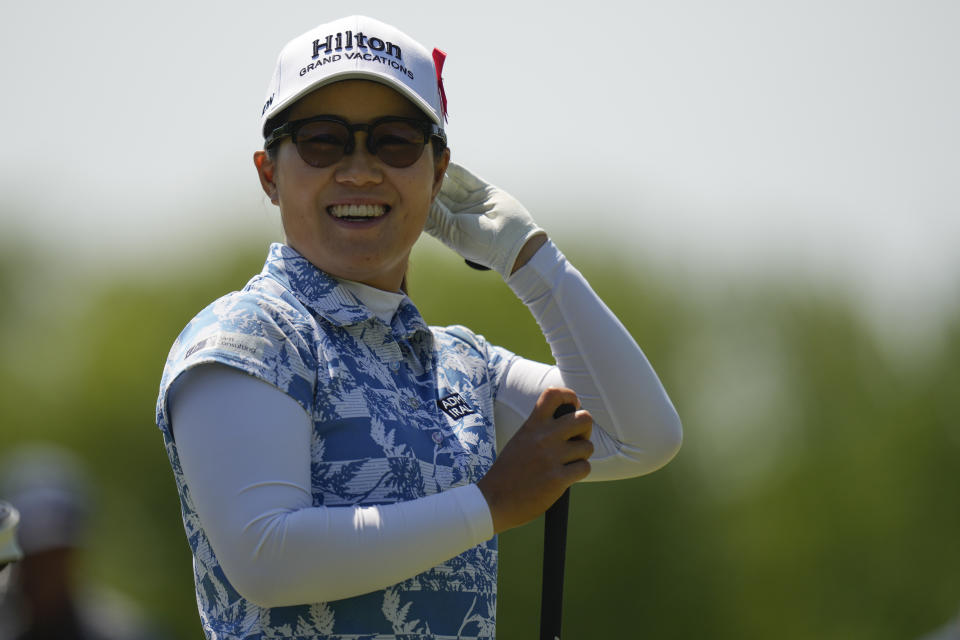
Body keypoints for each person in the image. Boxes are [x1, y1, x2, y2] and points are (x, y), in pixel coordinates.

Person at [154, 14, 682, 640]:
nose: (359, 170)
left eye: (395, 141)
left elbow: (639, 437)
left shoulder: (463, 364)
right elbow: (267, 558)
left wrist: (530, 260)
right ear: (269, 173)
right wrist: (491, 503)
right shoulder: (247, 334)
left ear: (437, 174)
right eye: (323, 141)